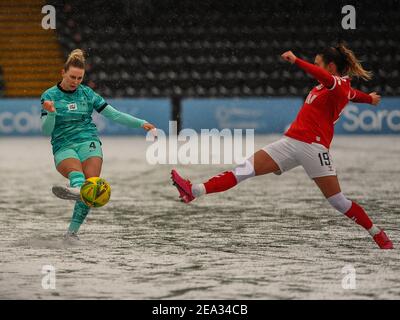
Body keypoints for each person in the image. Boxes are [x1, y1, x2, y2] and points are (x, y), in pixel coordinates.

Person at [171, 43, 393, 249]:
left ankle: (377, 233)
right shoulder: (337, 88)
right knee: (243, 170)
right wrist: (370, 99)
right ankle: (194, 191)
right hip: (290, 142)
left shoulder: (338, 85)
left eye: (318, 63)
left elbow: (330, 80)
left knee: (337, 201)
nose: (316, 67)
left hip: (313, 148)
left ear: (331, 66)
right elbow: (356, 96)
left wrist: (296, 61)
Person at [41, 49, 156, 241]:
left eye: (80, 78)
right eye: (72, 77)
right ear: (63, 73)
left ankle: (72, 232)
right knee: (78, 177)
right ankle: (77, 188)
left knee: (91, 186)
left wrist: (140, 123)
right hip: (63, 143)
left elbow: (114, 114)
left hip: (88, 140)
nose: (76, 82)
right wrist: (51, 112)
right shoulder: (49, 95)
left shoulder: (88, 94)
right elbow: (46, 131)